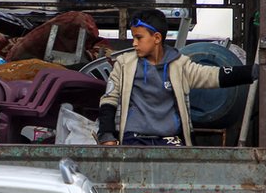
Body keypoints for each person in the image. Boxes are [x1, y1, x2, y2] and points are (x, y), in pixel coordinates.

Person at [97, 9, 257, 146]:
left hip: (170, 141)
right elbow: (108, 100)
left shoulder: (180, 65)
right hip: (133, 139)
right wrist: (106, 135)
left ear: (157, 38)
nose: (134, 43)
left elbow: (211, 75)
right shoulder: (124, 65)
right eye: (133, 38)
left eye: (139, 38)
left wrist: (251, 72)